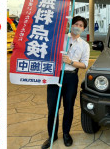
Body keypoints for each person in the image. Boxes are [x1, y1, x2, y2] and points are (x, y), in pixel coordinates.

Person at [42, 16, 90, 148]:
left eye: (81, 25)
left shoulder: (84, 45)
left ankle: (66, 134)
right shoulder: (59, 38)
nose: (78, 27)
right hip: (55, 76)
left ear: (83, 29)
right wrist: (17, 46)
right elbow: (43, 49)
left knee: (68, 108)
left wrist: (71, 62)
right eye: (76, 24)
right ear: (71, 25)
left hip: (71, 77)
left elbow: (85, 64)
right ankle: (52, 135)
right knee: (53, 108)